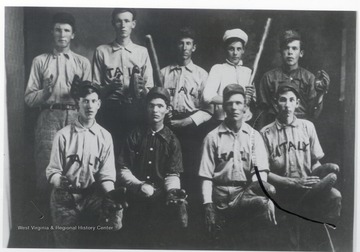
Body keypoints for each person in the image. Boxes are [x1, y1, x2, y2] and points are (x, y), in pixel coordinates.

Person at [260, 81, 341, 249]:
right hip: (282, 190)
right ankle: (310, 201)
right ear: (276, 103)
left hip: (307, 184)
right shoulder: (265, 133)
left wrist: (321, 171)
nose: (287, 105)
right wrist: (292, 182)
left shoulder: (307, 127)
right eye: (283, 100)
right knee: (304, 211)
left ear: (297, 103)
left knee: (336, 195)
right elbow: (264, 172)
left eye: (291, 100)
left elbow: (314, 162)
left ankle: (316, 193)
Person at [46, 81, 126, 248]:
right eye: (85, 101)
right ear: (78, 103)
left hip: (91, 197)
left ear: (99, 104)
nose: (89, 106)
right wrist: (59, 181)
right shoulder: (63, 135)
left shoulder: (105, 136)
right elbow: (52, 171)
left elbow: (106, 175)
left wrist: (112, 195)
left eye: (93, 101)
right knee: (66, 245)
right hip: (64, 198)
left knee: (102, 236)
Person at [24, 12, 91, 206]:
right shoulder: (40, 61)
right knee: (46, 165)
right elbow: (29, 98)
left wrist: (80, 94)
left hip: (74, 117)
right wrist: (45, 92)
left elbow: (91, 99)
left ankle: (72, 215)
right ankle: (44, 218)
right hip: (49, 115)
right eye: (58, 30)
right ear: (51, 32)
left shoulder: (82, 63)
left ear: (73, 35)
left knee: (75, 163)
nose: (62, 34)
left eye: (67, 30)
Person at [199, 84, 276, 246]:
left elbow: (260, 172)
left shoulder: (254, 136)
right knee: (219, 243)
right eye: (230, 103)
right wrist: (208, 205)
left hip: (244, 194)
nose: (234, 107)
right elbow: (206, 176)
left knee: (249, 240)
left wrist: (266, 198)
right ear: (224, 107)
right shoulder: (212, 137)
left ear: (245, 107)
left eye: (238, 103)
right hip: (219, 197)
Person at [117, 87, 188, 248]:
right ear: (146, 108)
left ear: (167, 109)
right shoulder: (135, 135)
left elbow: (172, 173)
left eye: (160, 106)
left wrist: (172, 192)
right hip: (135, 198)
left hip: (161, 201)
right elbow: (123, 169)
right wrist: (138, 185)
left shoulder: (172, 140)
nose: (155, 110)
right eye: (151, 105)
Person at [160, 27, 211, 214]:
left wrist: (187, 121)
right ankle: (172, 205)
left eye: (188, 43)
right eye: (181, 43)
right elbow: (157, 102)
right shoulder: (164, 72)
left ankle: (192, 207)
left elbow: (209, 110)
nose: (184, 47)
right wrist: (165, 113)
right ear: (176, 46)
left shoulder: (201, 74)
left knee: (190, 166)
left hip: (192, 127)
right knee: (169, 167)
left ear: (194, 47)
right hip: (168, 125)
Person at [93, 8, 154, 155]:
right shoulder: (102, 51)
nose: (123, 25)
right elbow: (94, 88)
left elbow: (150, 87)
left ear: (133, 24)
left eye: (127, 21)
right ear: (113, 23)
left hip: (135, 110)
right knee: (109, 151)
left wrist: (140, 89)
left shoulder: (142, 52)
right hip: (109, 110)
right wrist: (108, 87)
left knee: (134, 152)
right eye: (119, 21)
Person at [257, 29, 330, 129]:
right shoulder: (269, 78)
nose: (290, 52)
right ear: (281, 52)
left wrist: (320, 94)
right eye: (286, 48)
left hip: (301, 128)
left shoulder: (309, 78)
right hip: (276, 129)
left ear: (301, 53)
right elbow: (262, 112)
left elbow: (314, 114)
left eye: (294, 48)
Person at [203, 28, 256, 122]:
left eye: (239, 49)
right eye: (231, 49)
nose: (235, 53)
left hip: (245, 120)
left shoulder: (248, 72)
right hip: (223, 120)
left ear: (243, 50)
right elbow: (207, 97)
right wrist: (234, 101)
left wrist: (251, 95)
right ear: (226, 50)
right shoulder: (218, 69)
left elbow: (253, 100)